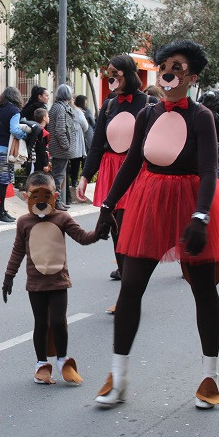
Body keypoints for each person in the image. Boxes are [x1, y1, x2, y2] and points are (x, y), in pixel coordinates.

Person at [92, 40, 219, 410]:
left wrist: (201, 216)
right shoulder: (147, 115)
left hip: (190, 205)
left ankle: (209, 377)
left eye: (177, 65)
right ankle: (118, 376)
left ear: (192, 76)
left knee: (203, 289)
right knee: (131, 286)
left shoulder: (201, 116)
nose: (169, 71)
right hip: (149, 202)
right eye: (165, 64)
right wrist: (107, 204)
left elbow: (207, 172)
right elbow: (130, 165)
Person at [2, 172, 101, 384]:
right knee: (40, 323)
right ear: (26, 197)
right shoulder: (24, 222)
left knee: (58, 321)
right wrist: (8, 276)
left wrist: (99, 232)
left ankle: (63, 360)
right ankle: (41, 364)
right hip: (35, 283)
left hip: (58, 281)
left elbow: (82, 237)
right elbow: (18, 250)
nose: (40, 201)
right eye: (34, 196)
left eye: (45, 195)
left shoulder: (62, 218)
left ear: (55, 196)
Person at [77, 55, 148, 280]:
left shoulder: (148, 103)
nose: (112, 79)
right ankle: (125, 270)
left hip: (135, 170)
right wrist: (85, 176)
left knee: (129, 223)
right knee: (115, 222)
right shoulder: (108, 105)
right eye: (109, 74)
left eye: (116, 74)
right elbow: (96, 144)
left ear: (128, 74)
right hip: (110, 168)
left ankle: (131, 271)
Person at [0, 87, 27, 223]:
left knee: (1, 180)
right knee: (3, 182)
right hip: (5, 149)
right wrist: (24, 135)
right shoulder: (15, 111)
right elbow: (14, 129)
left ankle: (2, 210)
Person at [48, 84, 77, 212]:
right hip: (61, 149)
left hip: (60, 148)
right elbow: (60, 130)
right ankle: (56, 201)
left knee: (59, 175)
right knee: (58, 176)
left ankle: (58, 200)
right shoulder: (60, 108)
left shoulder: (58, 107)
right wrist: (66, 145)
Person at [65, 97, 89, 206]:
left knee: (70, 162)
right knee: (76, 161)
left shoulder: (63, 109)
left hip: (67, 138)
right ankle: (74, 181)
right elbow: (85, 126)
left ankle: (72, 181)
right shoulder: (77, 111)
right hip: (75, 138)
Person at [31, 108, 50, 173]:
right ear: (44, 118)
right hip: (40, 161)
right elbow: (42, 150)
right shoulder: (43, 132)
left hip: (33, 159)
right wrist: (45, 164)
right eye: (48, 116)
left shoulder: (35, 129)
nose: (48, 117)